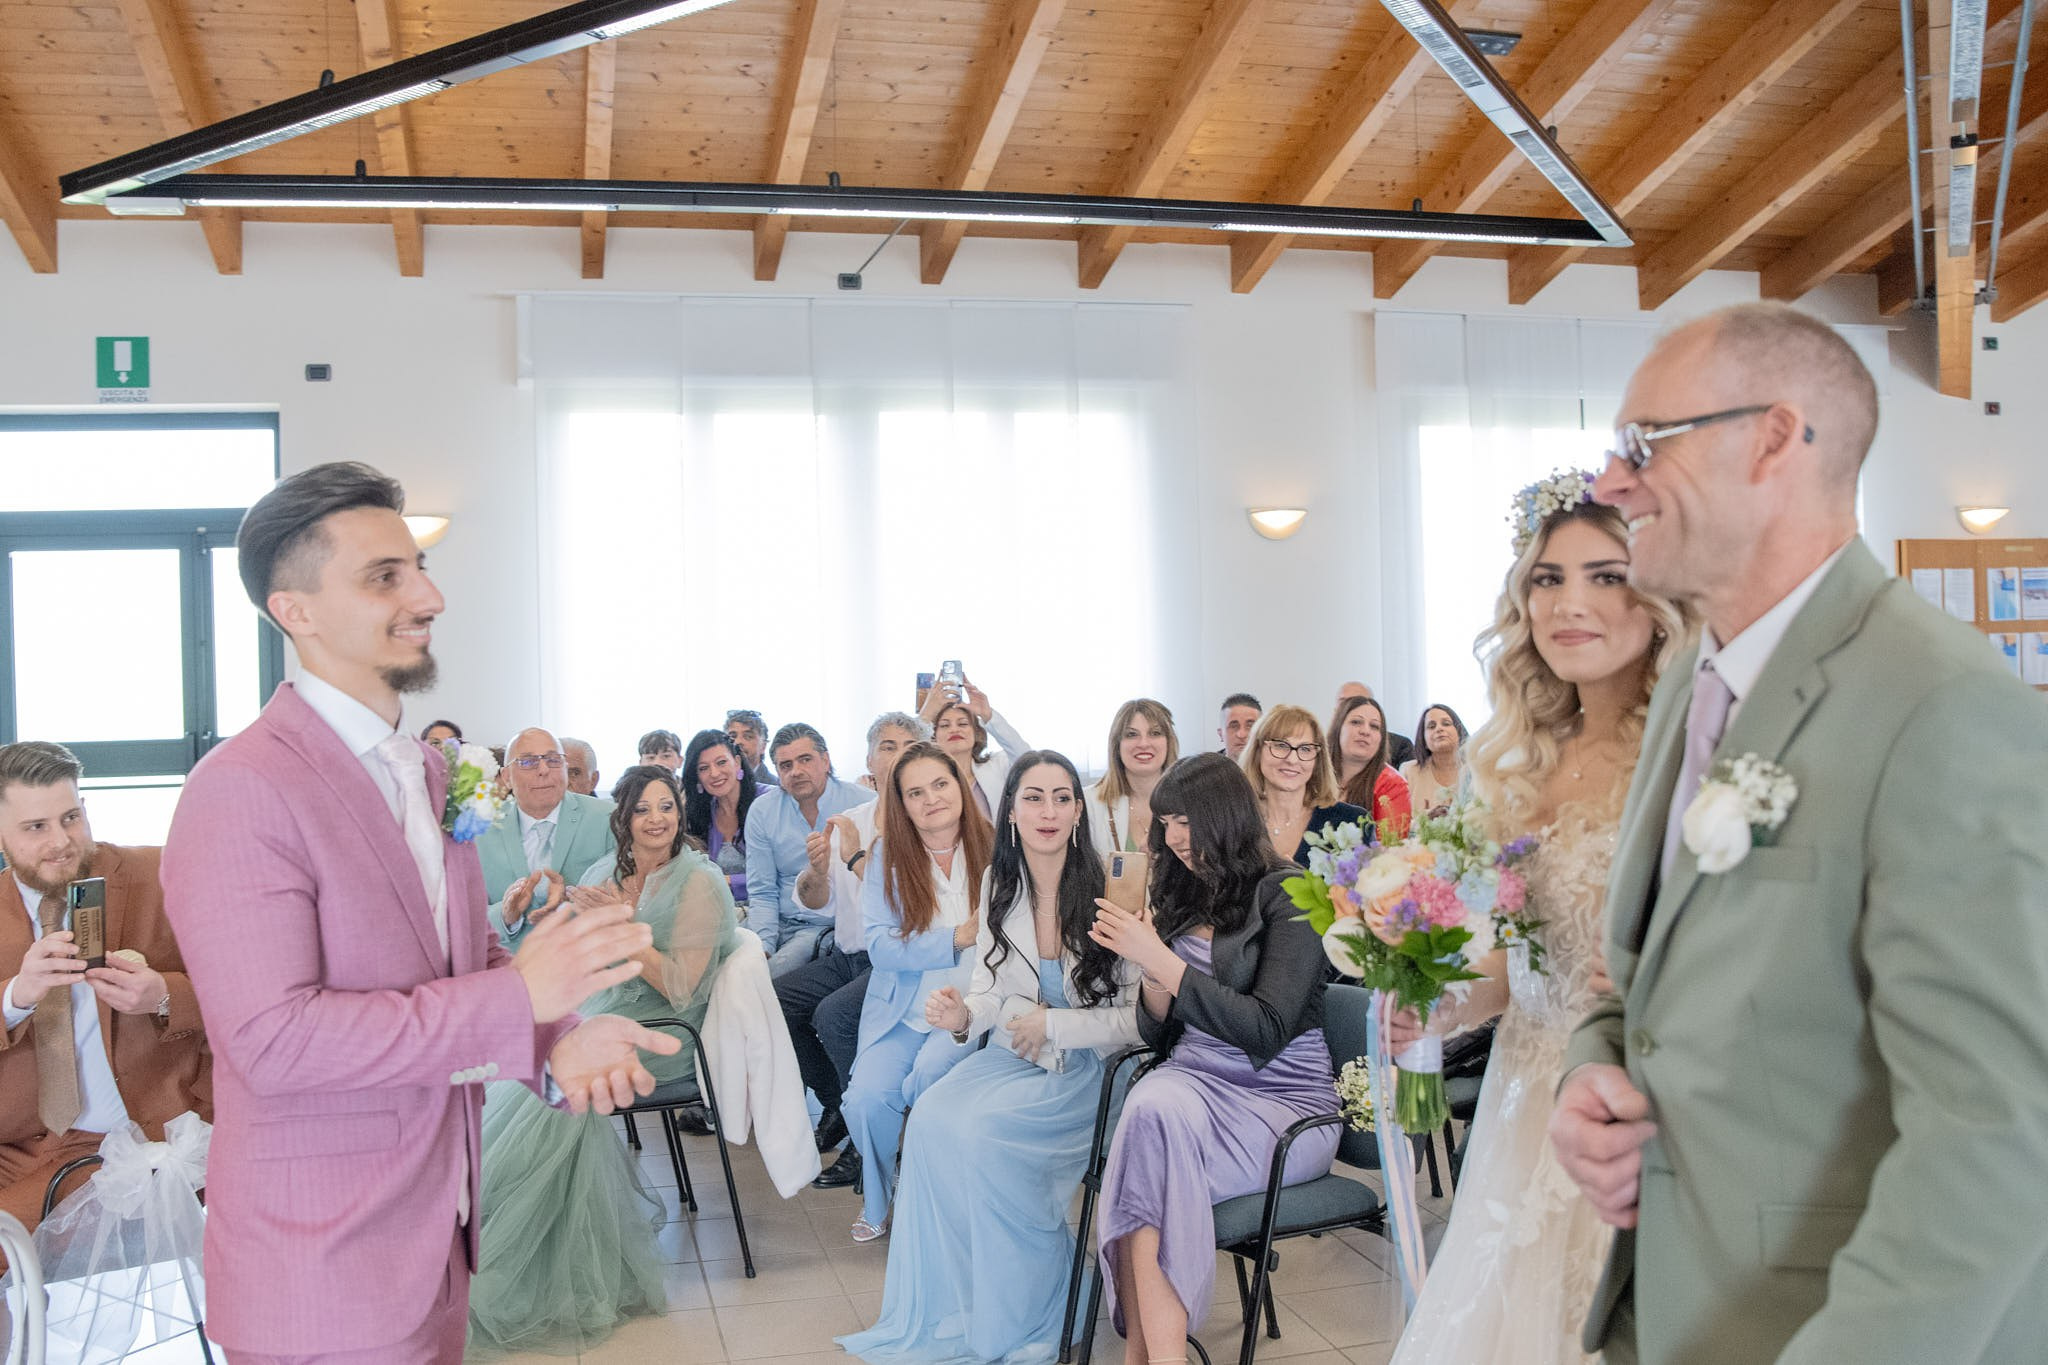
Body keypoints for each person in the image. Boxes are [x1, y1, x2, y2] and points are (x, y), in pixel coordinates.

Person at [1544, 303, 2048, 1365]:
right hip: (1678, 1303)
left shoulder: (1940, 703)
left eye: (1643, 443)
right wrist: (1587, 1073)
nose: (1607, 483)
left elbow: (1995, 1128)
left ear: (1773, 438)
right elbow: (1649, 982)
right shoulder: (1691, 682)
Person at [160, 461, 675, 1363]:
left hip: (442, 1231)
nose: (429, 595)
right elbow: (275, 1042)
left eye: (420, 569)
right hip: (324, 1263)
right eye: (384, 576)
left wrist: (559, 1041)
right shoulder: (239, 790)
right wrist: (519, 996)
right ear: (298, 611)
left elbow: (458, 955)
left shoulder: (435, 772)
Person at [1382, 477, 1686, 1365]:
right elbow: (1516, 972)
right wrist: (1432, 1009)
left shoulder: (1689, 748)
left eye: (1604, 575)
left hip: (1639, 1099)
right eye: (1547, 579)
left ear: (1657, 592)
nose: (1568, 603)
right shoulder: (1511, 767)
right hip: (1524, 1099)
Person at [838, 751, 1141, 1365]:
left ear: (1079, 812)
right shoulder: (1000, 882)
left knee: (980, 1136)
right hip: (1017, 1051)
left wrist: (1051, 1023)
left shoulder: (1113, 888)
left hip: (1095, 1069)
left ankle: (1053, 1296)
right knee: (929, 1121)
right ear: (1010, 814)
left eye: (1061, 797)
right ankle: (975, 1300)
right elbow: (990, 987)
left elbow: (1139, 1019)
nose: (1047, 811)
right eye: (1032, 798)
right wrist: (962, 1019)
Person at [468, 765, 741, 1356]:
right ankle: (485, 1239)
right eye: (643, 808)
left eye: (666, 806)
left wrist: (622, 928)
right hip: (601, 1012)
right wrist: (561, 912)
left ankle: (539, 1264)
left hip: (663, 1035)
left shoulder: (699, 882)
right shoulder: (607, 872)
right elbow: (578, 944)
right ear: (624, 817)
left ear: (679, 814)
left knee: (560, 1095)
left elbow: (682, 987)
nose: (656, 819)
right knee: (523, 1073)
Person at [1087, 752, 1337, 1361]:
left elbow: (1266, 1029)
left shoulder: (1294, 894)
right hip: (1191, 1085)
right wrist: (1151, 969)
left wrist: (1165, 960)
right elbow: (1158, 1035)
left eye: (1187, 822)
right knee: (1153, 1114)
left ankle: (1147, 1357)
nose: (1174, 839)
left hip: (1281, 1101)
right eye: (1166, 822)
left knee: (1153, 1133)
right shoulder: (1184, 893)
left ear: (1226, 818)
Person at [0, 741, 212, 1245]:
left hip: (162, 1127)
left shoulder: (162, 876)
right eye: (36, 827)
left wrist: (164, 995)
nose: (62, 841)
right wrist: (15, 998)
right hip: (29, 1149)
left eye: (71, 817)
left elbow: (255, 985)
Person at [842, 742, 990, 1242]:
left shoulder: (996, 847)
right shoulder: (885, 856)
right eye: (915, 792)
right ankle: (880, 1194)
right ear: (900, 804)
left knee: (927, 1077)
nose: (931, 800)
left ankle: (925, 1187)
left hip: (972, 1007)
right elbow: (881, 948)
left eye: (941, 785)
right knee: (865, 1100)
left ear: (961, 786)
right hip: (902, 1011)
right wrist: (956, 937)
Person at [777, 711, 930, 1191]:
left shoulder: (931, 821)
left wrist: (859, 860)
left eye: (908, 745)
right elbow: (815, 900)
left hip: (902, 961)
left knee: (833, 1016)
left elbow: (912, 912)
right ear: (868, 758)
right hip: (850, 954)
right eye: (886, 745)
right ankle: (839, 1107)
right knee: (775, 1001)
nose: (897, 754)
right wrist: (819, 872)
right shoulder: (849, 821)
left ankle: (870, 1144)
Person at [744, 723, 869, 977]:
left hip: (824, 927)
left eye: (805, 760)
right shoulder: (762, 811)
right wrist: (762, 947)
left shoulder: (863, 803)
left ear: (825, 760)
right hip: (775, 920)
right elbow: (762, 891)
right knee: (729, 970)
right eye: (786, 765)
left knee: (763, 980)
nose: (796, 772)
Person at [478, 727, 616, 943]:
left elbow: (629, 899)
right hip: (511, 965)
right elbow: (464, 919)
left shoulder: (607, 819)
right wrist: (505, 915)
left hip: (587, 958)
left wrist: (568, 905)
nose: (543, 769)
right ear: (506, 777)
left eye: (553, 760)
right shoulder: (481, 830)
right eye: (527, 761)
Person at [1239, 704, 1368, 863]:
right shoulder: (1236, 824)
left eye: (1305, 749)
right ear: (1257, 751)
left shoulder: (1350, 822)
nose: (1292, 760)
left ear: (1317, 760)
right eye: (1280, 745)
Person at [922, 672, 1030, 818]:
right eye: (945, 725)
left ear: (976, 733)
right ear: (934, 738)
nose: (954, 729)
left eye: (963, 723)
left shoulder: (997, 765)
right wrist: (925, 717)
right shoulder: (925, 778)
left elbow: (1026, 758)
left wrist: (988, 715)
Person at [1085, 698, 1178, 857]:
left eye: (1155, 733)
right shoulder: (1088, 803)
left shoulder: (1192, 801)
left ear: (1169, 742)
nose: (1143, 743)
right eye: (1131, 734)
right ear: (1117, 745)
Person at [682, 728, 759, 910]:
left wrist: (727, 881)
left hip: (767, 909)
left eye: (721, 762)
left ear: (737, 763)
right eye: (704, 768)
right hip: (716, 911)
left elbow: (782, 876)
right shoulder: (699, 812)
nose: (714, 773)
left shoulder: (767, 802)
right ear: (697, 777)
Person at [1330, 693, 1414, 837]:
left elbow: (1388, 850)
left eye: (1374, 726)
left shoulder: (1393, 785)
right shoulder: (1313, 769)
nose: (1365, 731)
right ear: (1338, 728)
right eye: (1356, 722)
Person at [1399, 703, 1468, 819]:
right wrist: (1426, 819)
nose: (1439, 729)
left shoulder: (1475, 771)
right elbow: (1399, 823)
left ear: (1459, 732)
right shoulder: (1409, 771)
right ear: (1423, 740)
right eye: (1431, 726)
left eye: (1446, 724)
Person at [1336, 682, 1413, 768]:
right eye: (1343, 702)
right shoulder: (1322, 747)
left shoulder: (1400, 746)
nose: (1349, 707)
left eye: (1358, 702)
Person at [726, 709, 777, 788]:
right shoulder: (717, 785)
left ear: (763, 746)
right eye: (733, 737)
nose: (738, 742)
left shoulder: (775, 787)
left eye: (748, 737)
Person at [1215, 693, 1260, 762]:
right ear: (1221, 734)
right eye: (1233, 726)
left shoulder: (1273, 769)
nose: (1242, 735)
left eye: (1250, 726)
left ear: (1262, 732)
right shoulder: (1205, 771)